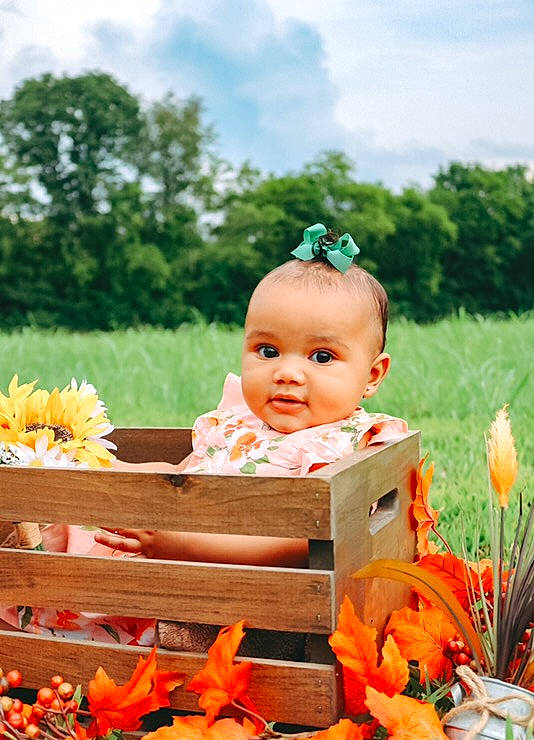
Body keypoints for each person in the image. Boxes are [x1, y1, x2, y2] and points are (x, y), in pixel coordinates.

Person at [0, 224, 408, 650]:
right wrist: (109, 469)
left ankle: (62, 639)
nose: (287, 372)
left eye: (321, 357)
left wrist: (182, 543)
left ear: (372, 375)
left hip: (230, 603)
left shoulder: (351, 445)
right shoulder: (235, 422)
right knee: (54, 564)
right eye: (267, 351)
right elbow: (180, 474)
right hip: (156, 567)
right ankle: (37, 634)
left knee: (104, 600)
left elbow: (299, 542)